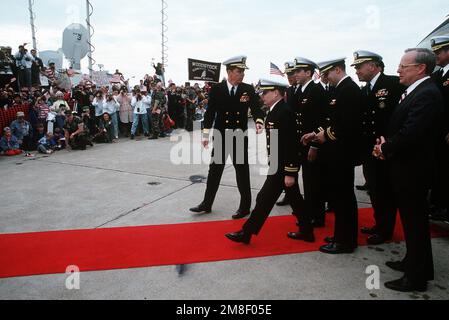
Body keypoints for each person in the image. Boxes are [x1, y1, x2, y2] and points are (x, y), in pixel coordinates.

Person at [373, 48, 443, 292]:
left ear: (421, 68)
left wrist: (386, 148)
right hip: (406, 166)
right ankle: (416, 264)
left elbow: (412, 132)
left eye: (404, 66)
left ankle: (415, 279)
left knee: (415, 224)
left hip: (413, 170)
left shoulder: (427, 94)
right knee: (413, 223)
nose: (398, 70)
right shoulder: (416, 91)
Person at [226, 79, 314, 244]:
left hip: (282, 167)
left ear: (276, 92)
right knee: (294, 199)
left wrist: (290, 172)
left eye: (265, 92)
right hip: (276, 164)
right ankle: (307, 230)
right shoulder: (275, 110)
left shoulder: (284, 112)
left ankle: (246, 233)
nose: (262, 96)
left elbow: (290, 145)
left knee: (264, 199)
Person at [190, 55, 265, 219]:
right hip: (221, 136)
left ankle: (245, 207)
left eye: (243, 71)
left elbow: (257, 108)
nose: (242, 74)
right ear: (230, 72)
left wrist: (259, 121)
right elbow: (210, 113)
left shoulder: (247, 89)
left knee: (242, 172)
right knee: (214, 171)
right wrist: (205, 134)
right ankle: (207, 204)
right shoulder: (217, 89)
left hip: (239, 136)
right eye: (239, 71)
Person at [302, 58, 362, 254]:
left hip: (342, 153)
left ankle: (344, 241)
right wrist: (317, 134)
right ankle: (341, 235)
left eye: (327, 74)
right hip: (336, 152)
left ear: (338, 70)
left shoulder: (349, 90)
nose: (325, 78)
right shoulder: (339, 89)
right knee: (339, 197)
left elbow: (348, 125)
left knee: (343, 198)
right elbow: (331, 120)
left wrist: (324, 135)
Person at [351, 50, 404, 245]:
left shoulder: (393, 84)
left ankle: (385, 230)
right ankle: (379, 224)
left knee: (385, 190)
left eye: (359, 66)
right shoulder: (365, 89)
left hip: (386, 148)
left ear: (373, 66)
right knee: (374, 188)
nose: (356, 71)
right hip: (369, 149)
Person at [292, 57, 328, 228]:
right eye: (295, 71)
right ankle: (309, 209)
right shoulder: (299, 90)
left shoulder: (316, 90)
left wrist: (314, 145)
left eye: (299, 71)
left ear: (308, 72)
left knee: (314, 181)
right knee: (307, 179)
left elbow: (321, 121)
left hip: (313, 144)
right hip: (301, 143)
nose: (295, 74)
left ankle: (317, 216)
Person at [429, 36, 449, 222]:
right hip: (437, 132)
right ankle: (437, 203)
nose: (436, 56)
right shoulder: (436, 75)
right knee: (438, 168)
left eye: (439, 52)